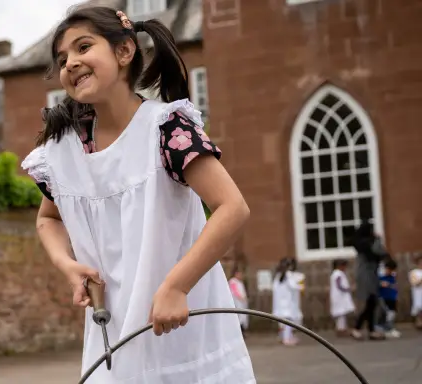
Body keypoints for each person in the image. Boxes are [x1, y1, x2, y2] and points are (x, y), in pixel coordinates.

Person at [21, 6, 254, 383]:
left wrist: (177, 286)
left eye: (83, 47)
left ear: (124, 52)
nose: (71, 63)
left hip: (181, 324)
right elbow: (48, 219)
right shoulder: (61, 151)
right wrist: (67, 265)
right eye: (63, 59)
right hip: (111, 330)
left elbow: (232, 208)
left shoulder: (166, 129)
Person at [350, 221, 387, 340]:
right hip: (368, 275)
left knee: (371, 303)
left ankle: (370, 329)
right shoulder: (370, 242)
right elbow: (380, 251)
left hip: (366, 274)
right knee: (371, 303)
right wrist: (378, 240)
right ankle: (359, 327)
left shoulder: (360, 243)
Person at [272, 257, 303, 346]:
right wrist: (300, 286)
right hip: (288, 302)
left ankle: (284, 336)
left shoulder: (278, 276)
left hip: (280, 302)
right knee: (288, 321)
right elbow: (293, 286)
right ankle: (287, 339)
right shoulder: (288, 275)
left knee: (283, 322)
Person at [329, 259, 355, 337]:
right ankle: (341, 329)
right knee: (341, 313)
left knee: (342, 314)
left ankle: (341, 328)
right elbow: (339, 285)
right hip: (340, 296)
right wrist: (347, 289)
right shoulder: (338, 274)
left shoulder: (335, 274)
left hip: (339, 296)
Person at [378, 259, 401, 338]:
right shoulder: (381, 277)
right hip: (384, 298)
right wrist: (381, 284)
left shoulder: (392, 277)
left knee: (392, 314)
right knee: (386, 313)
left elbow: (395, 287)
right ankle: (387, 329)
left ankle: (389, 328)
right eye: (388, 269)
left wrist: (396, 296)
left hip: (392, 297)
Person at [228, 265, 249, 336]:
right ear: (236, 273)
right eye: (239, 273)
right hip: (237, 303)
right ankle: (239, 333)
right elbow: (235, 291)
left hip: (241, 303)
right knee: (239, 317)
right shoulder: (233, 281)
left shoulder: (240, 282)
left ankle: (242, 332)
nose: (241, 275)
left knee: (242, 317)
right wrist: (241, 297)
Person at [409, 255, 422, 330]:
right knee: (419, 307)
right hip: (418, 292)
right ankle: (419, 322)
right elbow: (414, 283)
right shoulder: (414, 272)